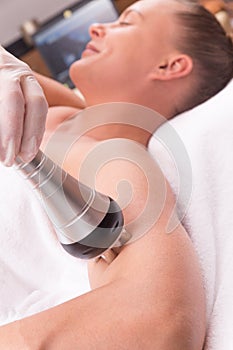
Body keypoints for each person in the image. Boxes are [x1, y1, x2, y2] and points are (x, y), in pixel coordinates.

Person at [0, 0, 232, 348]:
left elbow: (160, 321)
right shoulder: (64, 111)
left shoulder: (113, 160)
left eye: (126, 23)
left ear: (170, 65)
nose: (95, 27)